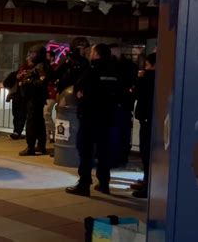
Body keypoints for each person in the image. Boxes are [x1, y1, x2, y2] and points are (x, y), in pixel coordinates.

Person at [66, 44, 120, 196]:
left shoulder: (92, 70)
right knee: (104, 151)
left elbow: (79, 87)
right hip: (108, 116)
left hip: (90, 116)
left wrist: (81, 94)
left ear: (96, 54)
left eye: (91, 52)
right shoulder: (115, 71)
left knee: (86, 151)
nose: (89, 54)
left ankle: (84, 184)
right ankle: (104, 183)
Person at [109, 43, 138, 167]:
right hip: (120, 103)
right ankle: (118, 156)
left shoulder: (124, 66)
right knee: (120, 131)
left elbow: (127, 82)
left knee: (120, 131)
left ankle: (120, 157)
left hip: (122, 102)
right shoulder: (127, 65)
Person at [131, 53, 156, 198]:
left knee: (146, 153)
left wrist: (140, 79)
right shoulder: (163, 78)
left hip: (146, 119)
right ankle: (147, 182)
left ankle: (147, 185)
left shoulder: (147, 78)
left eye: (146, 65)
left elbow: (138, 94)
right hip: (153, 119)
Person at [18, 44, 50, 156]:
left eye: (33, 54)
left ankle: (30, 147)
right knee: (39, 122)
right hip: (35, 98)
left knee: (31, 122)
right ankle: (40, 146)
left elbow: (42, 81)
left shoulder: (40, 66)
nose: (30, 57)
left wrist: (28, 82)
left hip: (35, 98)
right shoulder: (39, 66)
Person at [3, 69, 26, 140]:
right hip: (17, 97)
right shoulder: (15, 74)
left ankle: (17, 132)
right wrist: (16, 77)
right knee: (16, 115)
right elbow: (6, 83)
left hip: (24, 97)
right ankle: (16, 132)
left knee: (22, 115)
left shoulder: (29, 73)